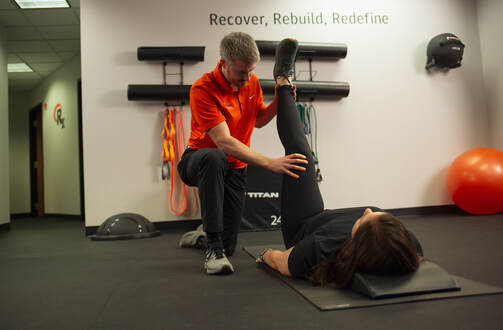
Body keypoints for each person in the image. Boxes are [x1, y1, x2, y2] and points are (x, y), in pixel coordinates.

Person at [256, 39, 425, 287]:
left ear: (355, 242)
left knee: (300, 156)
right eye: (378, 216)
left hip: (304, 224)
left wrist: (265, 256)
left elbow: (279, 260)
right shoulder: (406, 243)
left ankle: (282, 79)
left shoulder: (315, 250)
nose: (368, 211)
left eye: (367, 219)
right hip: (329, 221)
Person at [177, 33, 306, 275]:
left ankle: (204, 237)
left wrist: (280, 99)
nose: (247, 79)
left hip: (235, 168)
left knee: (230, 247)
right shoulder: (202, 89)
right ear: (223, 63)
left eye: (250, 71)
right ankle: (212, 250)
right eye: (240, 73)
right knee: (216, 157)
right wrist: (270, 163)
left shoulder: (251, 83)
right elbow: (224, 142)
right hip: (198, 161)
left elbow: (258, 121)